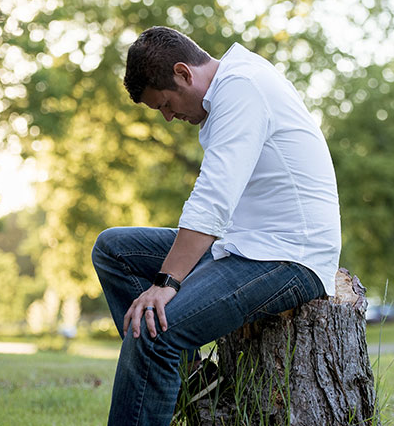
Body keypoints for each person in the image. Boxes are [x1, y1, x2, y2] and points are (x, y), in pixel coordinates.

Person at [91, 26, 341, 426]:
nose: (169, 117)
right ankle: (189, 379)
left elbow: (214, 198)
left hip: (288, 255)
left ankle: (163, 365)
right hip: (245, 244)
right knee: (112, 249)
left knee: (154, 335)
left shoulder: (242, 88)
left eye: (166, 105)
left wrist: (166, 283)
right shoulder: (235, 82)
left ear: (184, 73)